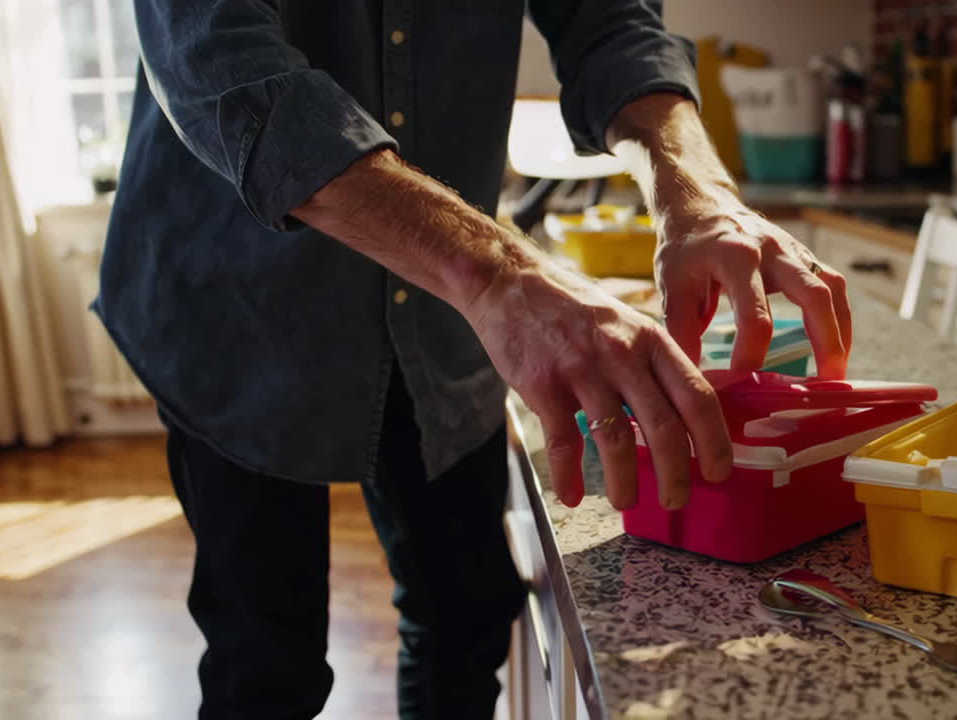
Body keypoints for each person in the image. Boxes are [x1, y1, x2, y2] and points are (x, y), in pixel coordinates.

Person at [96, 2, 851, 718]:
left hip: (440, 322)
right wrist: (500, 274)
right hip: (236, 310)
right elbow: (226, 70)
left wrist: (697, 188)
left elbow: (614, 25)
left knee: (467, 616)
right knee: (265, 659)